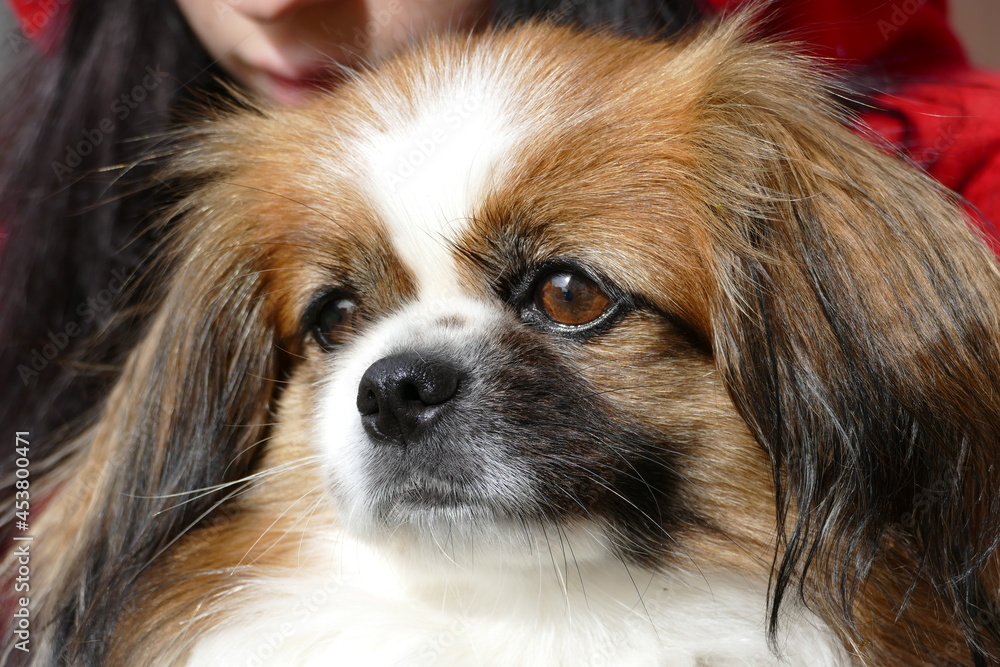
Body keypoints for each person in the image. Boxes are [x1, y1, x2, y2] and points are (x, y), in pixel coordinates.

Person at [1, 0, 998, 507]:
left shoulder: (915, 189)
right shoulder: (41, 228)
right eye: (339, 318)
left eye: (567, 295)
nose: (265, 4)